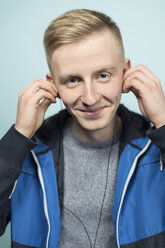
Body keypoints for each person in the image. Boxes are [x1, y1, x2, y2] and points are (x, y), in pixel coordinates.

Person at [0, 8, 165, 248]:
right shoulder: (27, 153)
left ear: (125, 73)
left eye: (103, 75)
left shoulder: (154, 146)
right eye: (72, 80)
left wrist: (163, 123)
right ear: (52, 85)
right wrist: (18, 137)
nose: (89, 98)